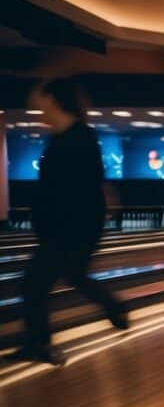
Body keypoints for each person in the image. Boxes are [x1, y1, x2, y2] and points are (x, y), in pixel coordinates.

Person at [13, 78, 128, 366]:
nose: (40, 112)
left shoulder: (80, 139)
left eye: (41, 106)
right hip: (65, 228)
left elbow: (84, 189)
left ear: (53, 102)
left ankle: (40, 344)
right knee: (72, 276)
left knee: (33, 284)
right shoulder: (63, 138)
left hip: (71, 229)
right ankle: (114, 307)